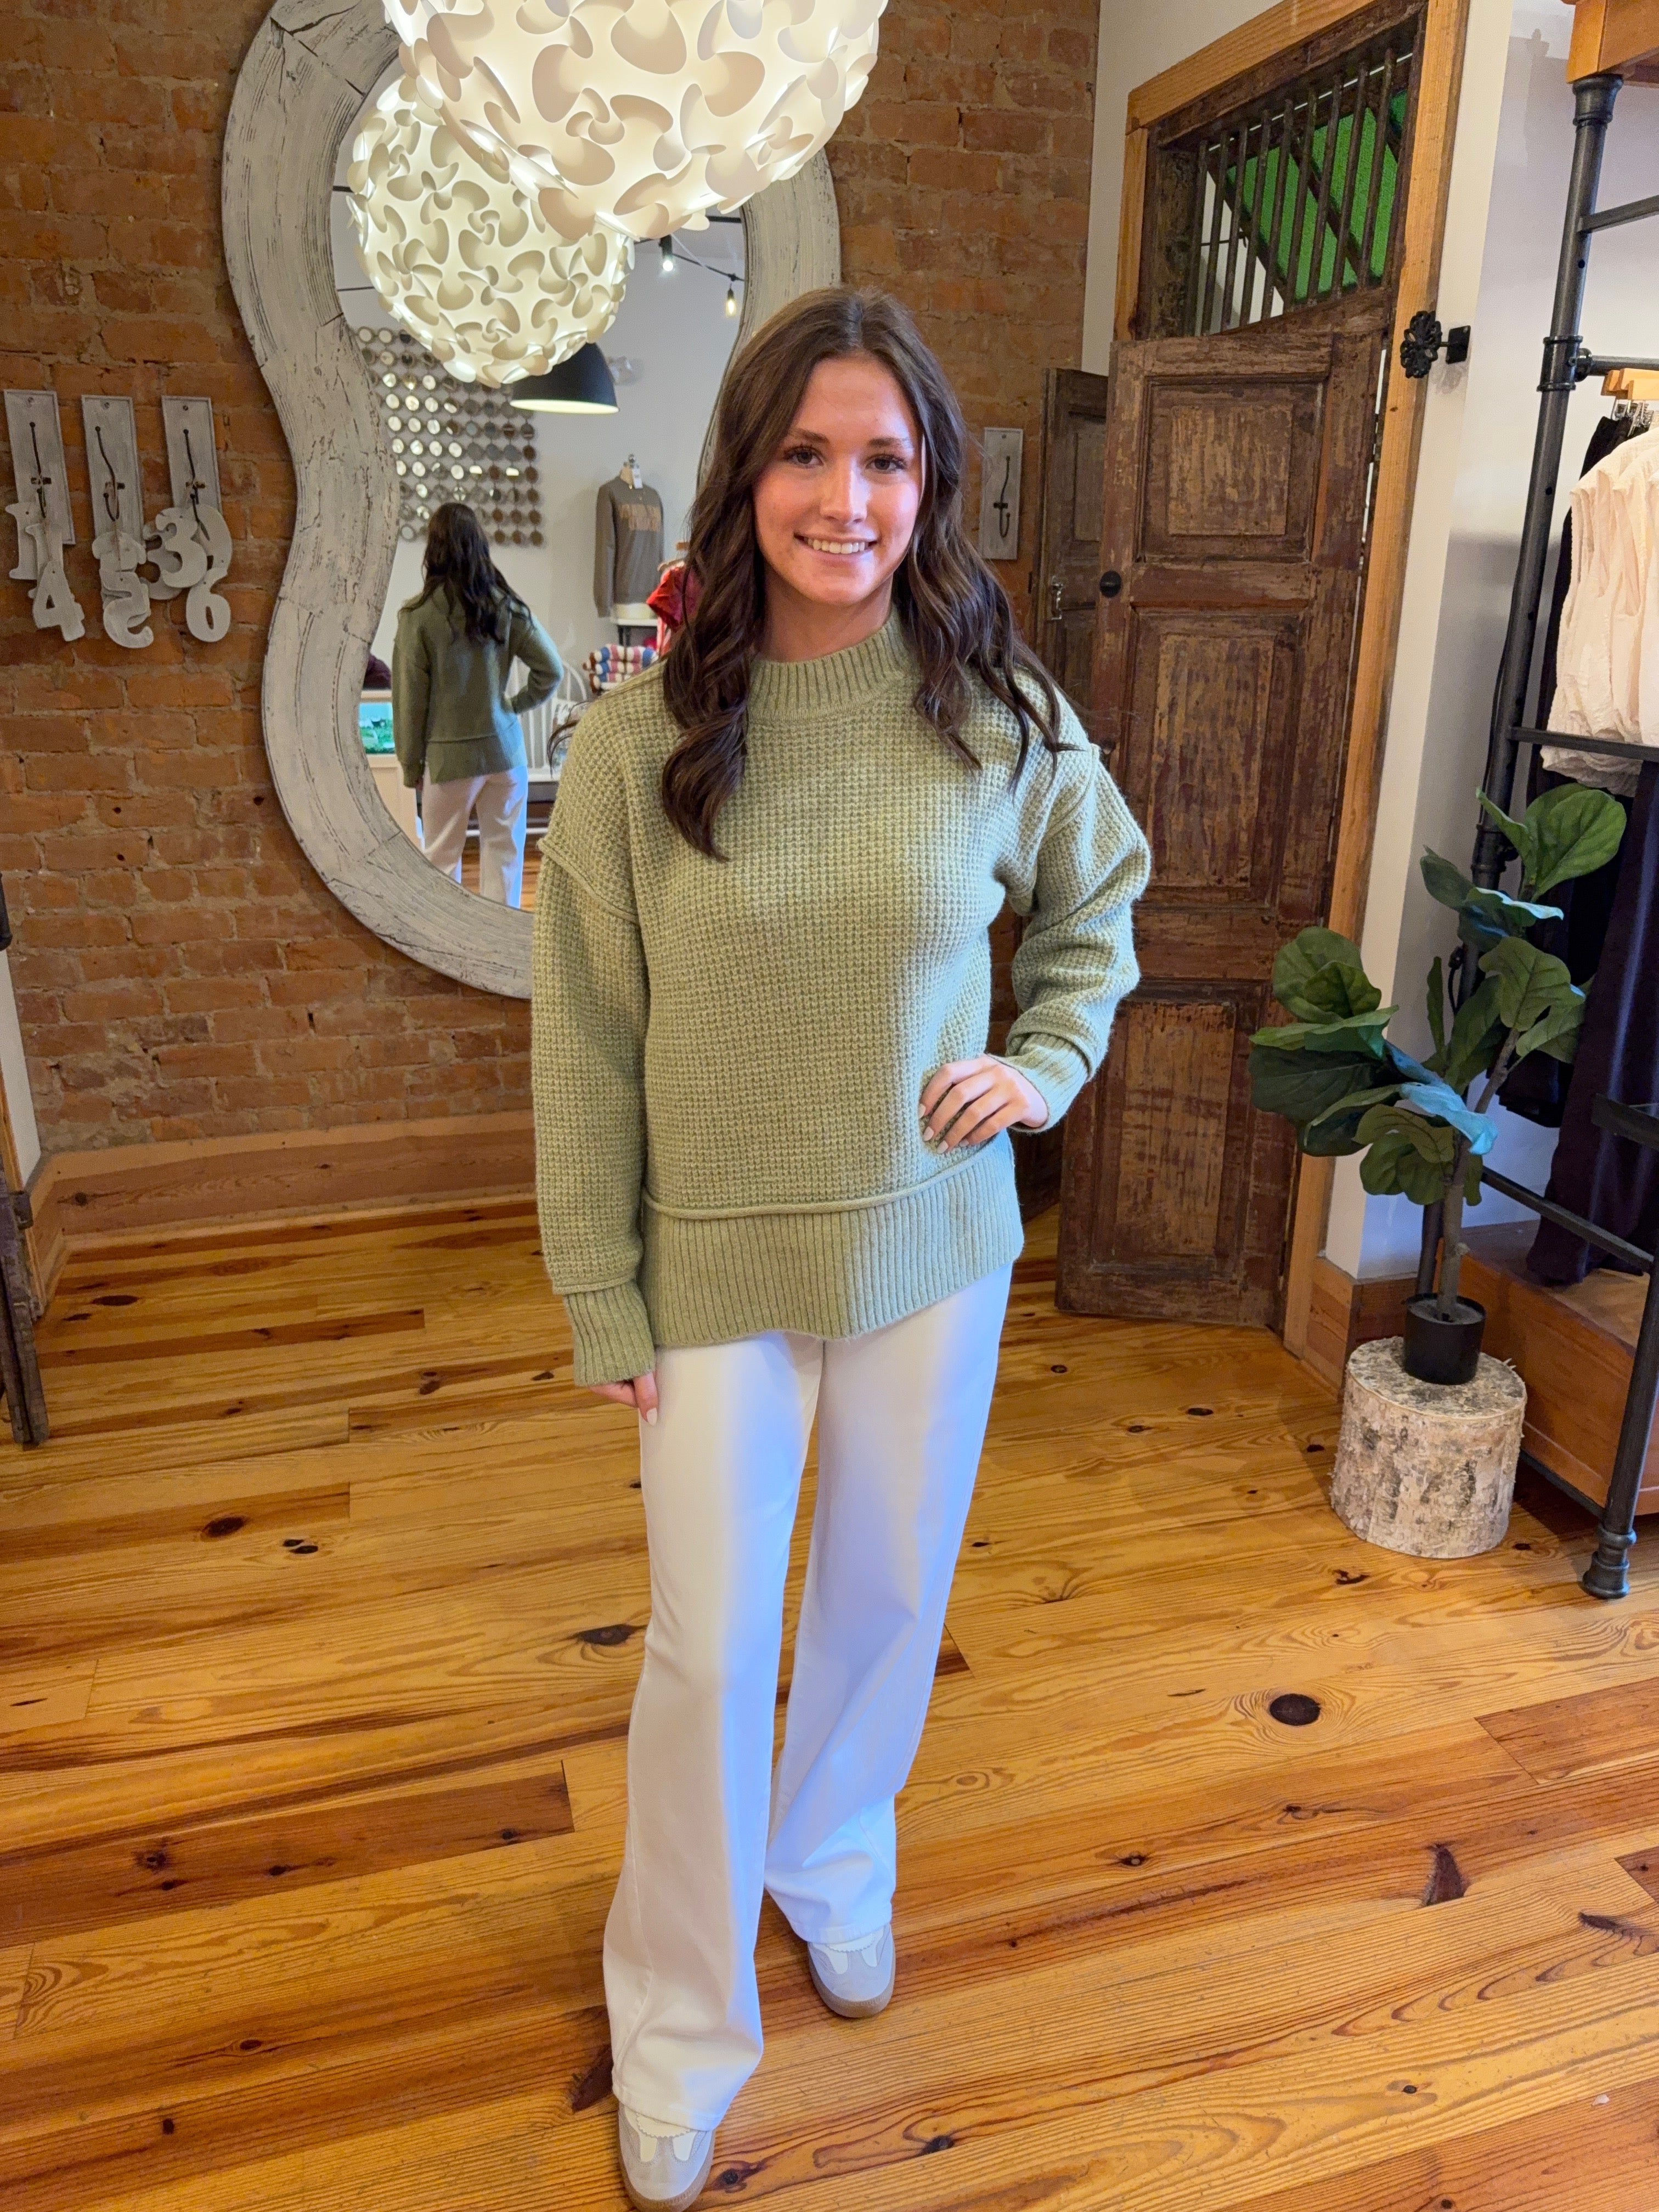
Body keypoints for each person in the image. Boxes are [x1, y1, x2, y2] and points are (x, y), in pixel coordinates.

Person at [532, 287, 1150, 2210]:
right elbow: (586, 1037)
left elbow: (1096, 902)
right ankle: (677, 2017)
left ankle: (833, 1858)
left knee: (884, 1592)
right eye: (806, 453)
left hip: (935, 1245)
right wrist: (598, 1287)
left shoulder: (996, 714)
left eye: (884, 458)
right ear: (747, 477)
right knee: (710, 1647)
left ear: (931, 484)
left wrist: (1045, 1062)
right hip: (711, 1264)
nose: (845, 497)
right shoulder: (637, 745)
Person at [391, 501, 561, 907]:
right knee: (505, 860)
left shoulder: (418, 617)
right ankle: (498, 944)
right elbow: (551, 669)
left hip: (449, 764)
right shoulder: (506, 607)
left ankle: (446, 943)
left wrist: (411, 766)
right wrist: (513, 706)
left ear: (433, 550)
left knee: (441, 862)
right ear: (480, 545)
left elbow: (410, 703)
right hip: (506, 755)